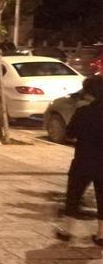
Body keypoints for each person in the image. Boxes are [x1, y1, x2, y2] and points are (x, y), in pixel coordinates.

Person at [55, 75, 103, 245]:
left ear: (90, 92)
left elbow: (69, 134)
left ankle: (67, 229)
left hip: (84, 160)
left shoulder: (83, 112)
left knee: (74, 195)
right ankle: (101, 234)